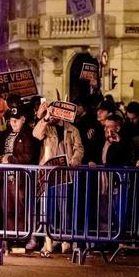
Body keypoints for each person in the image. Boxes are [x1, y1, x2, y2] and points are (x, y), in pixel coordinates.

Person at [32, 100, 84, 255]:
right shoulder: (47, 127)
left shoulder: (72, 130)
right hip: (48, 174)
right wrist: (45, 118)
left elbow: (79, 148)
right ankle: (49, 240)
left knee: (65, 208)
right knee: (47, 209)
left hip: (65, 174)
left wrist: (74, 161)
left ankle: (65, 239)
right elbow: (36, 134)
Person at [0, 105, 39, 248]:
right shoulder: (6, 134)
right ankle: (11, 236)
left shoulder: (28, 135)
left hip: (21, 178)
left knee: (21, 208)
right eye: (11, 120)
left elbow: (29, 157)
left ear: (23, 119)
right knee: (7, 208)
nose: (13, 123)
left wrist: (10, 160)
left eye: (16, 120)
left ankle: (24, 237)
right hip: (7, 177)